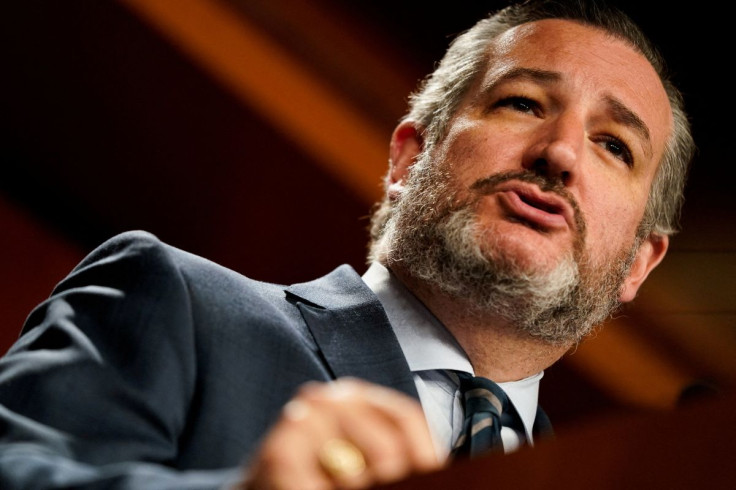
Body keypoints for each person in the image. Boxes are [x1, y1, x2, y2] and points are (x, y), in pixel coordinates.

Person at [0, 0, 695, 489]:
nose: (562, 153)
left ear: (638, 262)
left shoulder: (597, 475)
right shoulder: (171, 300)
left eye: (614, 145)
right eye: (523, 102)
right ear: (406, 161)